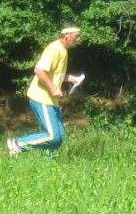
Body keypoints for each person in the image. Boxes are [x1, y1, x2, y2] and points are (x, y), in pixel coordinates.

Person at [7, 25, 83, 157]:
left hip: (51, 100)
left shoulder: (64, 51)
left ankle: (45, 162)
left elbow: (55, 74)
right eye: (76, 36)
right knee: (53, 135)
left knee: (59, 137)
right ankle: (18, 143)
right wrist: (53, 88)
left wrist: (71, 78)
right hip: (42, 98)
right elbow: (39, 70)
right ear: (66, 35)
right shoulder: (54, 49)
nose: (78, 39)